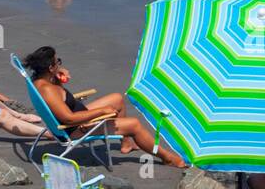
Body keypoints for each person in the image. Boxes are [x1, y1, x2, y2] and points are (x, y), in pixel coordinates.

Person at [21, 45, 185, 165]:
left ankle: (126, 143)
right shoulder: (48, 91)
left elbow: (60, 103)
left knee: (117, 98)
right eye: (57, 62)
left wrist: (58, 76)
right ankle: (167, 158)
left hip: (78, 116)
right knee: (134, 125)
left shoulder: (40, 81)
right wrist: (101, 111)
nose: (59, 64)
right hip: (77, 128)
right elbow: (68, 118)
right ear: (49, 67)